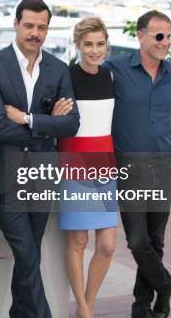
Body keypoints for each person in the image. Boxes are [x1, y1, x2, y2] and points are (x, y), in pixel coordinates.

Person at [0, 0, 80, 318]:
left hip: (41, 176)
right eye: (29, 25)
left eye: (42, 27)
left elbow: (71, 125)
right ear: (16, 24)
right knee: (26, 252)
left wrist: (28, 118)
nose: (36, 33)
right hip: (5, 177)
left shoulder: (59, 69)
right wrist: (47, 127)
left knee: (28, 256)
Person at [104, 10, 171, 318]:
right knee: (138, 241)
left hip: (163, 166)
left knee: (156, 240)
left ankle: (144, 305)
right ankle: (165, 285)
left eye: (169, 36)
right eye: (159, 36)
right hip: (129, 166)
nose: (166, 42)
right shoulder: (116, 69)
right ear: (141, 36)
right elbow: (86, 83)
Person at [58, 17, 117, 318]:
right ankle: (82, 308)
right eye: (88, 44)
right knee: (79, 241)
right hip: (74, 164)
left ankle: (87, 305)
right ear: (77, 45)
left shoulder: (110, 76)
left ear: (106, 44)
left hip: (105, 166)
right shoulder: (65, 77)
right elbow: (55, 120)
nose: (95, 50)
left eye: (99, 44)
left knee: (106, 245)